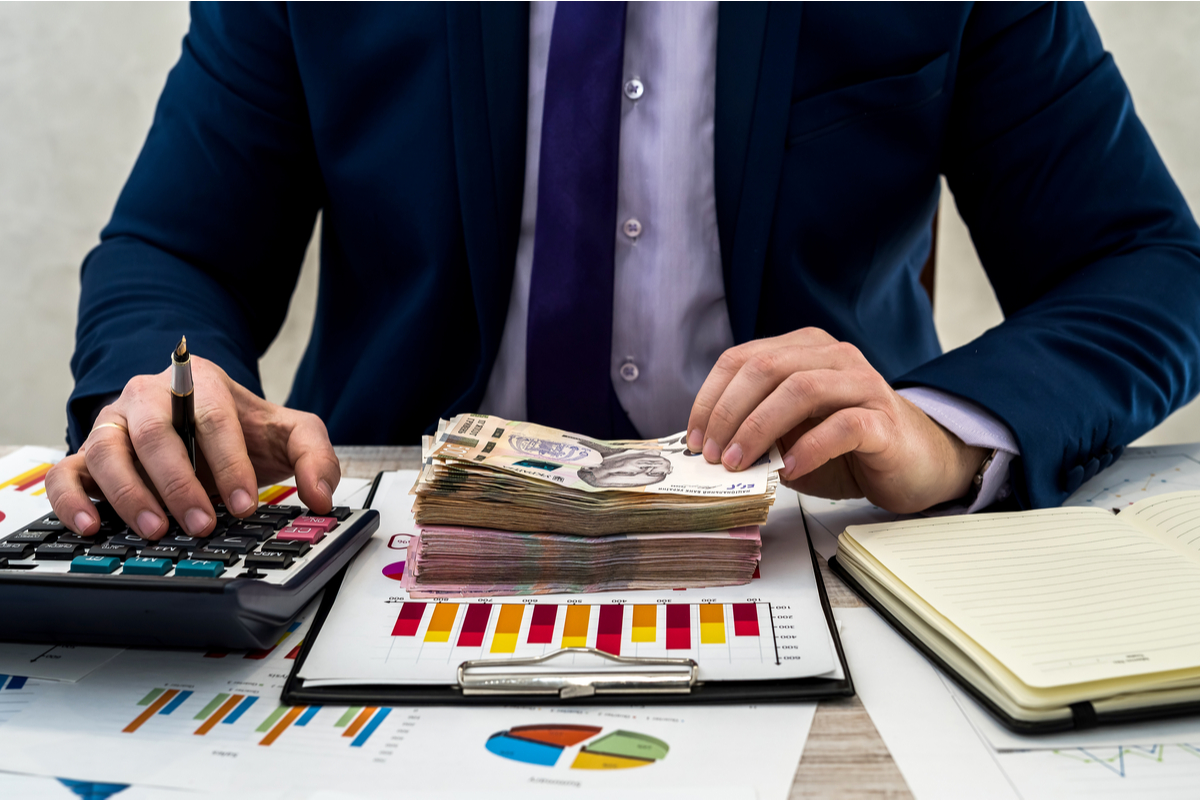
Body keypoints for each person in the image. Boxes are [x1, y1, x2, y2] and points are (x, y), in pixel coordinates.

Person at [46, 2, 1200, 541]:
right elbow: (175, 250)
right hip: (388, 543)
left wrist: (942, 432)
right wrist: (167, 396)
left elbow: (1148, 262)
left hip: (820, 541)